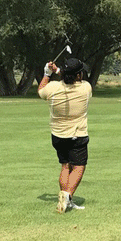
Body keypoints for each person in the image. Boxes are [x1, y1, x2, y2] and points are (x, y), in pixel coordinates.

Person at [38, 57, 93, 213]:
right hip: (77, 135)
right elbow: (72, 78)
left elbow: (41, 90)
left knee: (65, 165)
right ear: (78, 75)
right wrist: (58, 71)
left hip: (57, 135)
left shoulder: (53, 88)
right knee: (79, 167)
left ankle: (67, 200)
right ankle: (67, 196)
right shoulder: (85, 88)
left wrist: (48, 73)